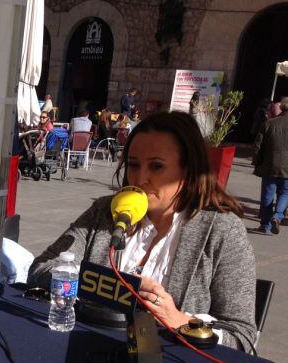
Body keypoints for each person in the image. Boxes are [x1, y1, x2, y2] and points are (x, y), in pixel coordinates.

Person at [27, 111, 256, 350]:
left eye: (157, 166)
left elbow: (242, 338)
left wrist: (181, 322)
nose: (140, 177)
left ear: (188, 171)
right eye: (134, 165)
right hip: (89, 347)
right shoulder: (105, 211)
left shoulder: (221, 230)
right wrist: (109, 287)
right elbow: (41, 269)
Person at [253, 97, 288, 234]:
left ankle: (265, 225)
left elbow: (258, 145)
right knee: (285, 193)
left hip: (269, 165)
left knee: (267, 195)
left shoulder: (269, 124)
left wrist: (256, 161)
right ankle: (278, 216)